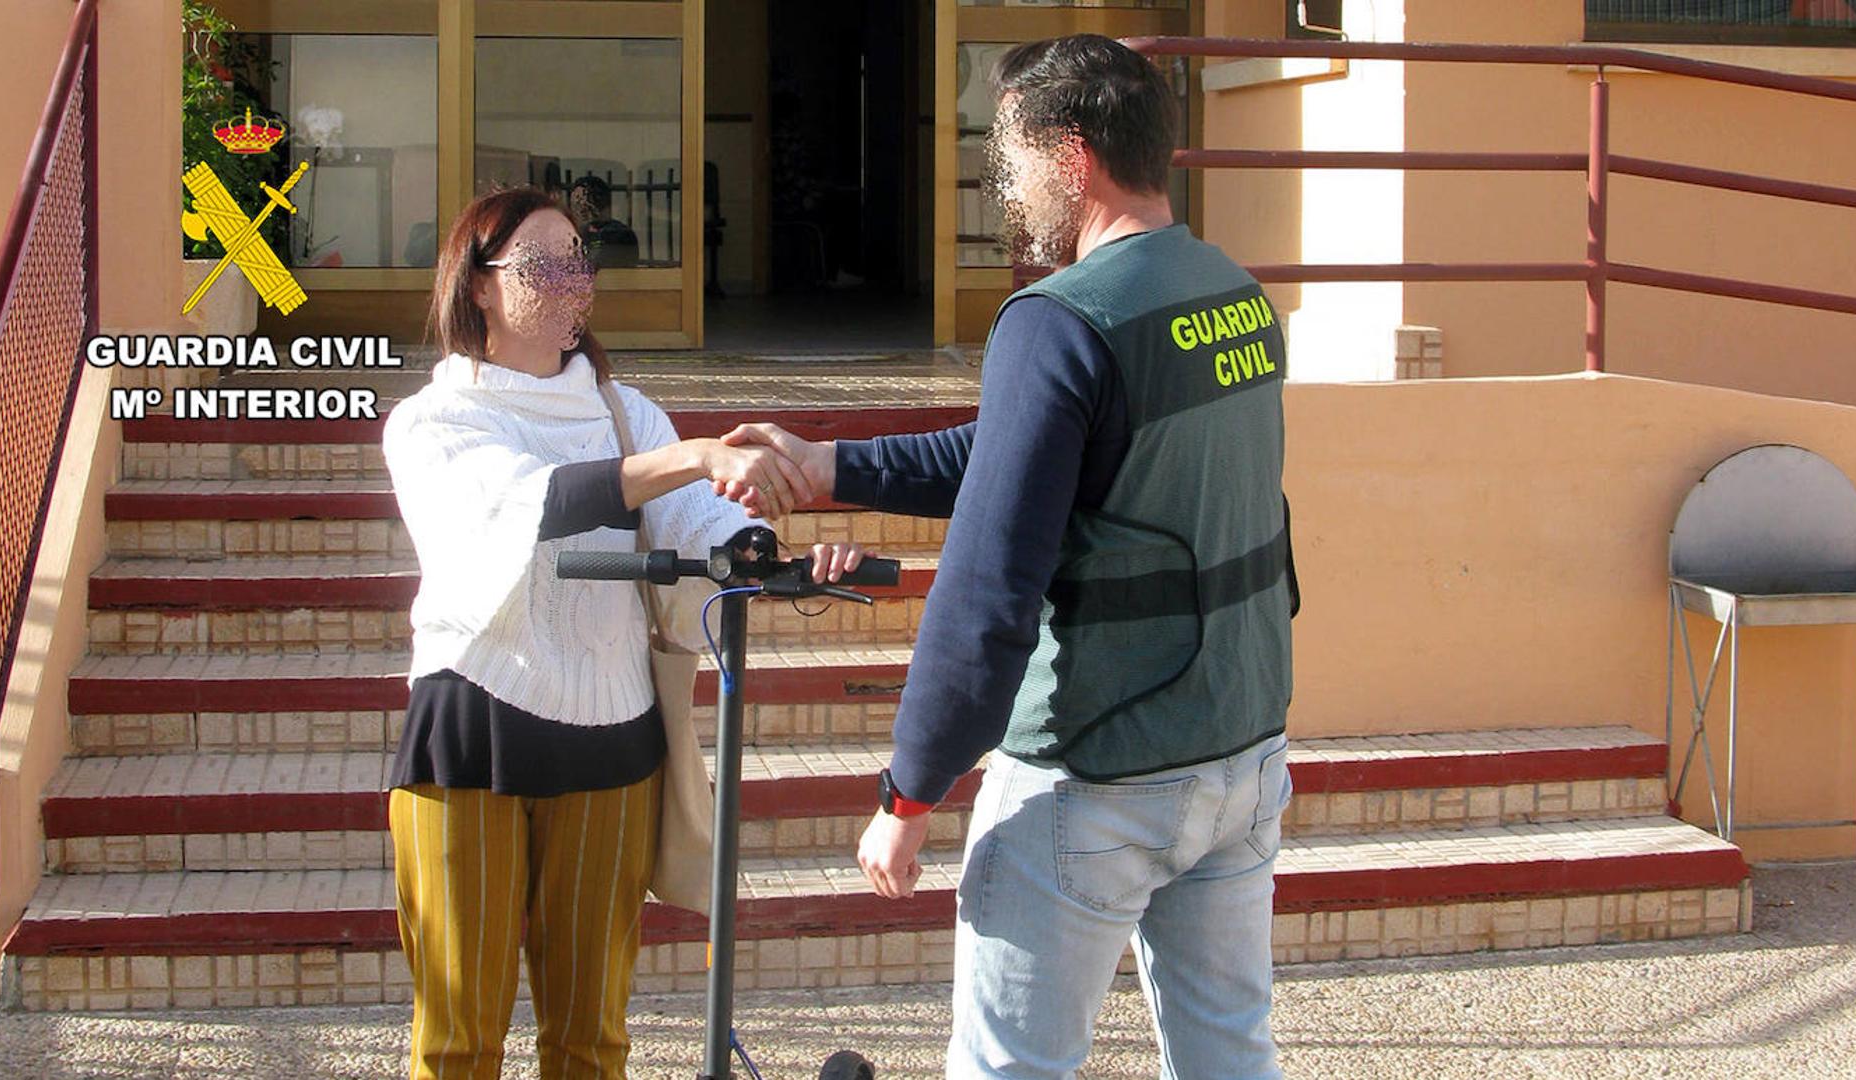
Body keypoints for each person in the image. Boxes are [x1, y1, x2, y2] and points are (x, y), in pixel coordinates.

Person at [721, 35, 1300, 1080]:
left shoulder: (1060, 323)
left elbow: (988, 594)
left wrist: (909, 793)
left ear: (1073, 159)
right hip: (1241, 756)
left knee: (1010, 1067)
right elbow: (1018, 461)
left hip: (1096, 775)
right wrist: (827, 467)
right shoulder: (1234, 295)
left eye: (1016, 154)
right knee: (1228, 1058)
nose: (1007, 182)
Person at [382, 185, 860, 1079]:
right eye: (543, 264)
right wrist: (691, 455)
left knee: (592, 1040)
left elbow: (701, 531)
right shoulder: (434, 421)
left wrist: (773, 552)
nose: (572, 281)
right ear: (477, 285)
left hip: (615, 743)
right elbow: (530, 507)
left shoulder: (625, 412)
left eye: (580, 260)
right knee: (456, 1041)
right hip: (472, 733)